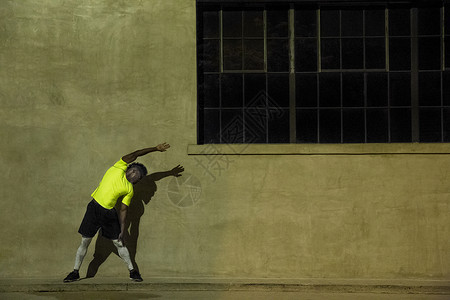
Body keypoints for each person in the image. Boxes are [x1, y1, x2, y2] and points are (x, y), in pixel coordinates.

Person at [64, 143, 171, 282]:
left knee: (120, 243)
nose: (134, 174)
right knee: (85, 242)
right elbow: (136, 153)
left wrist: (122, 230)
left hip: (108, 215)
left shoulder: (129, 190)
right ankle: (75, 272)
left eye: (138, 176)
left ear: (138, 180)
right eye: (134, 170)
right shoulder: (118, 167)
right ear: (129, 167)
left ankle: (133, 272)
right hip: (93, 209)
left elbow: (123, 209)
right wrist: (155, 149)